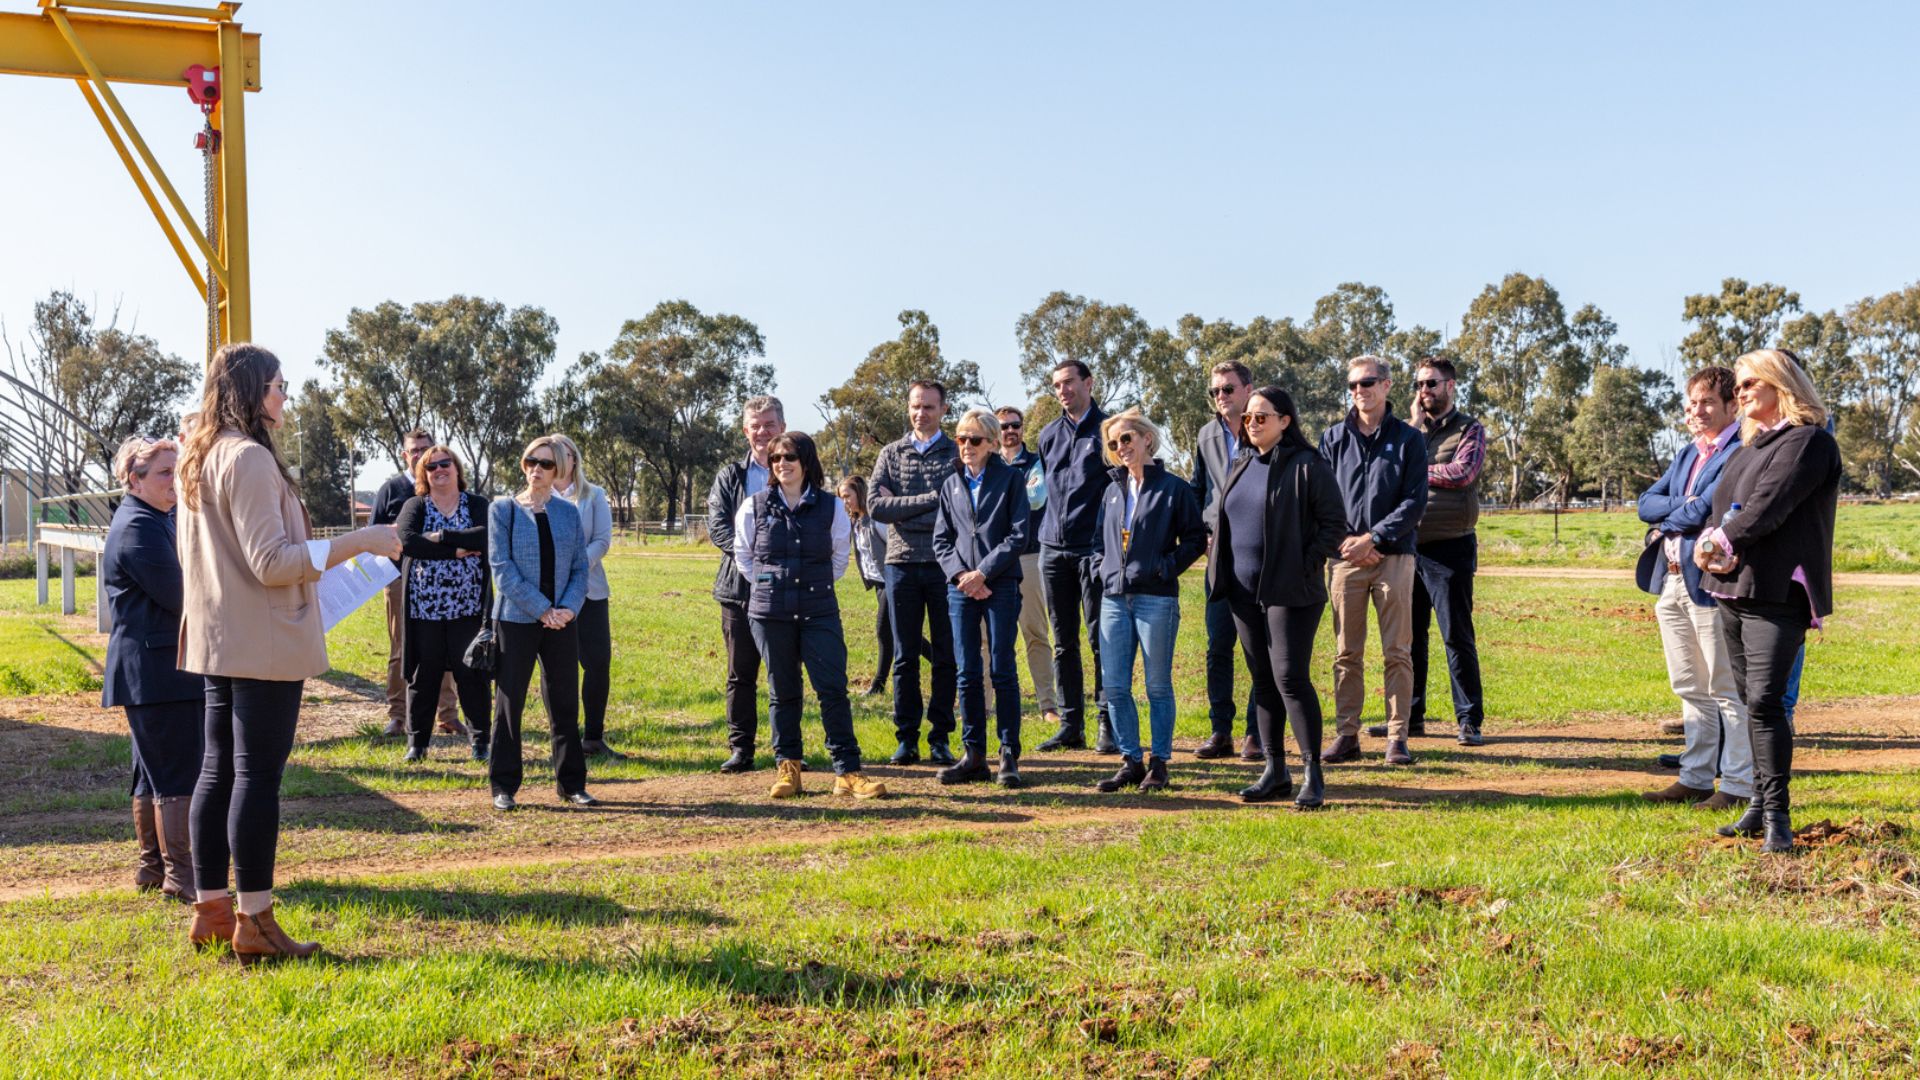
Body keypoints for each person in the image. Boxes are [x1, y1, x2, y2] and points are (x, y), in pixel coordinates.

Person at [176, 343, 402, 961]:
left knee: (218, 769)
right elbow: (272, 562)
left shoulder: (198, 456)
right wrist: (361, 541)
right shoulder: (247, 458)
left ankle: (213, 908)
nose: (284, 396)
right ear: (251, 392)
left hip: (220, 636)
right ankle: (255, 920)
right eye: (277, 386)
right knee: (254, 776)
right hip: (263, 640)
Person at [1697, 349, 1840, 854]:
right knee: (1750, 701)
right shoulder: (1748, 448)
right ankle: (1758, 805)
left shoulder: (1809, 443)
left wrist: (1718, 543)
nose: (1740, 391)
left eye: (1750, 382)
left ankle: (1777, 814)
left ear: (1782, 383)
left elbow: (1768, 506)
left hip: (1778, 592)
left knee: (1765, 701)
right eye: (1737, 384)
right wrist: (1713, 544)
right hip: (1734, 590)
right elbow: (1722, 509)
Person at [1204, 388, 1345, 807]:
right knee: (1263, 681)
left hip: (1291, 592)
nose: (1252, 423)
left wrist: (1304, 565)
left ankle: (1312, 774)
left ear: (1286, 420)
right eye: (1248, 418)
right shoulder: (1242, 464)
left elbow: (1334, 525)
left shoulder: (1308, 465)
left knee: (1290, 678)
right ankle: (1275, 770)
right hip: (1243, 593)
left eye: (1261, 417)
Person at [734, 432, 888, 800]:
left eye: (789, 457)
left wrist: (809, 587)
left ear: (806, 461)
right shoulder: (753, 507)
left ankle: (847, 772)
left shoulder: (832, 507)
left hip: (819, 610)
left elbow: (838, 559)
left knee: (833, 690)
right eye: (775, 459)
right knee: (783, 691)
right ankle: (789, 769)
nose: (782, 464)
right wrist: (774, 587)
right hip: (770, 614)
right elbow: (745, 558)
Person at [1636, 366, 1752, 810]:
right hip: (1671, 581)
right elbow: (1646, 503)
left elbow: (1707, 508)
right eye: (1689, 404)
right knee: (1689, 685)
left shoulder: (1739, 451)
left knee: (1725, 687)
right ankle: (1696, 777)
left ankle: (1738, 784)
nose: (1695, 412)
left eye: (1705, 403)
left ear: (1730, 405)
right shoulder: (1688, 453)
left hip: (1710, 581)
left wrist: (1672, 516)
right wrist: (1680, 510)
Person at [101, 435, 203, 902]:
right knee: (177, 774)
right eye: (165, 473)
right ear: (134, 479)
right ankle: (183, 878)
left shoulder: (154, 517)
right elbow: (181, 594)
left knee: (151, 773)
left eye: (176, 471)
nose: (174, 480)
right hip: (158, 671)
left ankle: (153, 868)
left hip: (156, 668)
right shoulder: (138, 527)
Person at [1320, 355, 1429, 767]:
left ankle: (1397, 738)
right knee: (1346, 652)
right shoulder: (1332, 439)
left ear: (1386, 386)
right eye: (1352, 385)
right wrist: (1350, 542)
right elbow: (1323, 500)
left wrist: (1376, 538)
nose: (1359, 391)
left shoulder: (1409, 440)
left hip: (1394, 556)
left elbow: (1414, 501)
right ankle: (1347, 735)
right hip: (1345, 558)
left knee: (1397, 651)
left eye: (1367, 383)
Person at [1092, 408, 1206, 793]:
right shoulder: (1111, 490)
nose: (1120, 447)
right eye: (1113, 443)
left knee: (1157, 685)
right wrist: (1103, 570)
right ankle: (1131, 761)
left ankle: (1159, 762)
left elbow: (1194, 540)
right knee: (1116, 687)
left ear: (1146, 439)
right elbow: (1098, 544)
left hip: (1155, 599)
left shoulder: (1174, 489)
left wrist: (1164, 568)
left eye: (1126, 439)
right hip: (1113, 599)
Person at [487, 435, 597, 812]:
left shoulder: (569, 513)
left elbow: (581, 568)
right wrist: (541, 610)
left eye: (546, 464)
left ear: (559, 470)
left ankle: (571, 784)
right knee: (509, 703)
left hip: (563, 621)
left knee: (565, 703)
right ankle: (503, 786)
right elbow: (502, 570)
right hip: (517, 619)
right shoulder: (503, 509)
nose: (537, 469)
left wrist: (566, 608)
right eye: (531, 461)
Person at [932, 408, 1032, 787]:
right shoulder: (951, 483)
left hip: (1000, 585)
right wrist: (962, 576)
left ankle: (1008, 754)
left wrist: (983, 573)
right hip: (960, 589)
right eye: (961, 438)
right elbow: (941, 539)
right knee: (966, 672)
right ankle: (973, 754)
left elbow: (1018, 535)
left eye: (974, 439)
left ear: (991, 443)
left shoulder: (1011, 480)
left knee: (1002, 669)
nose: (967, 446)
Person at [1395, 356, 1489, 747]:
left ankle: (1468, 719)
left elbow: (1463, 473)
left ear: (1451, 386)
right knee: (1408, 639)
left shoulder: (1470, 429)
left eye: (1431, 383)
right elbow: (1388, 468)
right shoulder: (1407, 432)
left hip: (1450, 547)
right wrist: (1413, 426)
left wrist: (1414, 471)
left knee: (1456, 636)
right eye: (1419, 384)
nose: (1424, 391)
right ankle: (1410, 719)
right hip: (1408, 548)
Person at [868, 379, 961, 767]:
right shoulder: (890, 454)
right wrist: (930, 500)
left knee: (945, 656)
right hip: (900, 564)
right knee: (904, 657)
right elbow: (875, 507)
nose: (920, 413)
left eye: (929, 407)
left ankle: (940, 737)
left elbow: (958, 511)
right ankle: (906, 738)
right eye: (915, 406)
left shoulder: (958, 452)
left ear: (943, 410)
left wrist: (902, 507)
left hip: (945, 564)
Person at [1035, 360, 1116, 754]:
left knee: (1101, 639)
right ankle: (1070, 725)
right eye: (1056, 385)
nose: (1062, 390)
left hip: (1093, 551)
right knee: (1063, 642)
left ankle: (1107, 722)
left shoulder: (1109, 433)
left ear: (1089, 382)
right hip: (1052, 550)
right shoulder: (1048, 435)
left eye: (1068, 382)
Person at [393, 445, 493, 764]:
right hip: (426, 610)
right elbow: (408, 541)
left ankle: (480, 742)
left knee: (471, 674)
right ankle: (418, 743)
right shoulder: (415, 505)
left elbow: (485, 536)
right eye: (431, 467)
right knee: (425, 678)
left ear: (456, 468)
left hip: (468, 609)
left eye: (444, 464)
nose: (439, 470)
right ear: (424, 474)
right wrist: (456, 551)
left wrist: (440, 536)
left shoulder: (477, 504)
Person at [707, 396, 786, 773]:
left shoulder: (797, 469)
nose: (762, 432)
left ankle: (787, 750)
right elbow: (718, 526)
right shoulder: (730, 476)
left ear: (782, 427)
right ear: (745, 430)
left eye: (769, 424)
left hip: (785, 590)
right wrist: (752, 559)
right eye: (755, 425)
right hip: (738, 589)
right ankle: (742, 749)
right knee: (741, 674)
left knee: (782, 671)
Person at [1189, 361, 1262, 761]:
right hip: (1219, 557)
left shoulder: (1266, 428)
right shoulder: (1206, 435)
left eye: (1229, 389)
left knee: (1258, 647)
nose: (1221, 397)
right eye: (1216, 391)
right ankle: (1221, 732)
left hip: (1258, 556)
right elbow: (1200, 489)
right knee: (1219, 645)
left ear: (1248, 389)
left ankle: (1256, 732)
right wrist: (1201, 533)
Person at [372, 428, 457, 739]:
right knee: (401, 648)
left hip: (443, 580)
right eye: (414, 450)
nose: (421, 454)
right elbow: (373, 536)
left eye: (426, 448)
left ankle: (447, 715)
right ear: (404, 455)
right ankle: (397, 716)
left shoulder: (445, 483)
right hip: (398, 580)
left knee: (447, 646)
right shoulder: (390, 490)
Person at [549, 434, 623, 760]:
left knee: (598, 664)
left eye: (566, 453)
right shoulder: (535, 496)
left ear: (575, 458)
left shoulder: (594, 495)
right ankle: (562, 740)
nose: (562, 460)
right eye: (554, 454)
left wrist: (577, 565)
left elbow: (603, 540)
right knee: (556, 670)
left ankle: (593, 738)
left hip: (591, 592)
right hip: (550, 596)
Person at [991, 405, 1059, 730]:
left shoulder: (1035, 463)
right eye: (1003, 426)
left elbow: (1035, 498)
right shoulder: (986, 464)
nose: (1010, 431)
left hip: (1029, 556)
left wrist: (998, 498)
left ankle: (1048, 705)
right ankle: (983, 706)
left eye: (1015, 425)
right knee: (985, 638)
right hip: (989, 561)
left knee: (1035, 632)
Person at [839, 476, 929, 696]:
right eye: (841, 498)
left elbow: (895, 545)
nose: (845, 502)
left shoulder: (876, 519)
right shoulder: (856, 521)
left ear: (859, 493)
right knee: (905, 630)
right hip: (879, 583)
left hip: (892, 579)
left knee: (884, 630)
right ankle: (944, 662)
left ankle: (878, 684)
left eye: (847, 496)